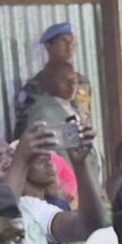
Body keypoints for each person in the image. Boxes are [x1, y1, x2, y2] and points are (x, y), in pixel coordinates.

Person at [23, 59, 105, 192]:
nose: (72, 85)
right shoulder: (43, 112)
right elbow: (49, 156)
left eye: (74, 80)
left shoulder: (70, 108)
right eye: (64, 80)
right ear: (49, 83)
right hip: (69, 191)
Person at [14, 21, 94, 136]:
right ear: (48, 47)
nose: (70, 46)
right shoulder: (34, 86)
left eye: (72, 42)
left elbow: (85, 116)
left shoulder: (82, 82)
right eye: (63, 42)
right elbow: (24, 128)